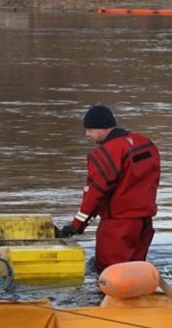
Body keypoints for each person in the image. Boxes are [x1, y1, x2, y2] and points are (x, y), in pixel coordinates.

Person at [58, 105, 161, 272]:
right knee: (136, 271)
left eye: (90, 130)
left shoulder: (107, 154)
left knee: (109, 272)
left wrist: (77, 225)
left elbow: (95, 194)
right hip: (144, 222)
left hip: (118, 224)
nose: (87, 134)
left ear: (103, 128)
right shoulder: (146, 143)